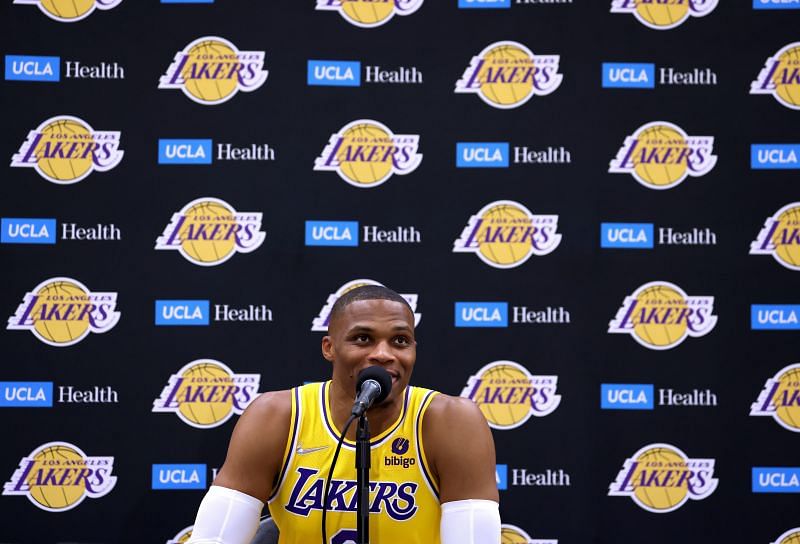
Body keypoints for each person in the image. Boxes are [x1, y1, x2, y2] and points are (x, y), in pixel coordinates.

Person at [188, 285, 500, 544]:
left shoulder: (451, 422)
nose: (383, 354)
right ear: (329, 347)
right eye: (363, 338)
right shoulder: (275, 417)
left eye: (400, 341)